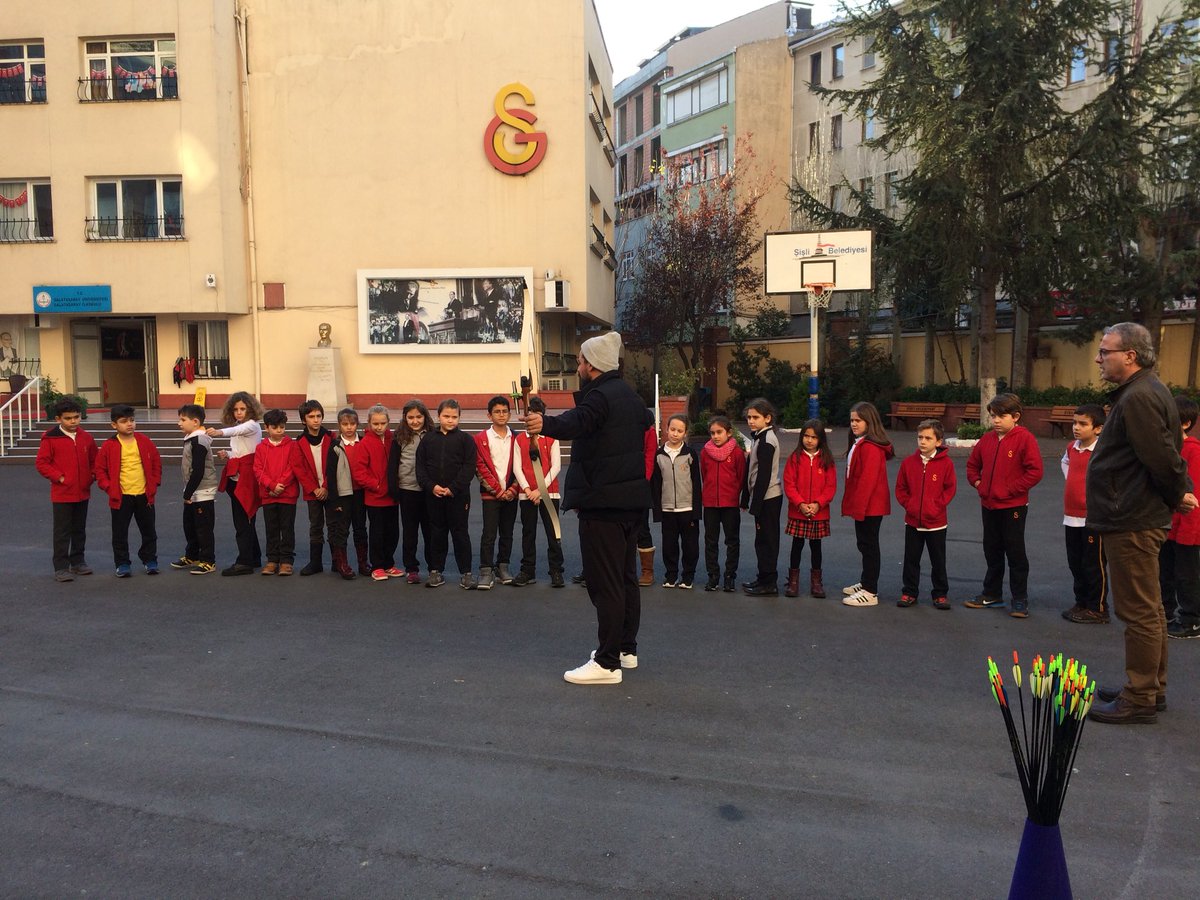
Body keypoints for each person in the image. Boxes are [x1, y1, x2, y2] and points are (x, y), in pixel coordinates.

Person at [524, 331, 653, 685]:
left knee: (606, 583)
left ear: (592, 365)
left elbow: (577, 422)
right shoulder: (629, 396)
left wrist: (544, 424)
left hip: (604, 504)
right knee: (625, 580)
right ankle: (626, 650)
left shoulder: (601, 397)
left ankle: (607, 662)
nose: (578, 366)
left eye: (581, 361)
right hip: (629, 503)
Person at [1086, 323, 1196, 725]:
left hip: (1132, 517)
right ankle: (1151, 687)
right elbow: (1167, 453)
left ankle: (1140, 696)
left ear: (1129, 355)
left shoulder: (1139, 397)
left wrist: (1175, 495)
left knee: (1139, 612)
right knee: (1149, 609)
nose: (1099, 359)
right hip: (1134, 513)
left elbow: (1163, 458)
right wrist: (1175, 493)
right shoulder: (1146, 391)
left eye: (1105, 352)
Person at [963, 393, 1044, 617]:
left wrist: (1008, 490)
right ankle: (992, 594)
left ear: (1015, 417)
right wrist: (979, 484)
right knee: (992, 550)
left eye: (1001, 416)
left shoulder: (1024, 439)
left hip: (1013, 507)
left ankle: (1019, 599)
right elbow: (972, 466)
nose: (996, 420)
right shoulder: (987, 440)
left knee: (1015, 552)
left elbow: (1035, 472)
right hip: (988, 506)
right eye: (992, 416)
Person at [894, 419, 956, 610]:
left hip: (936, 523)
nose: (922, 441)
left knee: (938, 560)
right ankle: (909, 592)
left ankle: (940, 594)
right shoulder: (908, 463)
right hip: (913, 522)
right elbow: (901, 489)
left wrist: (936, 506)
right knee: (911, 559)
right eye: (920, 437)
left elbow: (949, 488)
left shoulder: (946, 464)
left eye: (928, 438)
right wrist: (910, 505)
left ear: (938, 442)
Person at [94, 404, 162, 577]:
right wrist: (108, 487)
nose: (129, 424)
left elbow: (156, 463)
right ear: (114, 425)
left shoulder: (144, 441)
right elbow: (99, 470)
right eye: (124, 421)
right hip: (121, 496)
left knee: (149, 531)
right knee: (120, 533)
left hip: (144, 495)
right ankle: (122, 563)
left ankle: (150, 560)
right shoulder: (109, 446)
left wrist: (154, 484)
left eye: (132, 420)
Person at [416, 398, 478, 589]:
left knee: (460, 534)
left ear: (459, 417)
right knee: (437, 533)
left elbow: (469, 468)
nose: (450, 420)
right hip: (433, 495)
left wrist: (453, 488)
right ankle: (435, 571)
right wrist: (431, 486)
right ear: (438, 416)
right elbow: (420, 467)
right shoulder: (427, 439)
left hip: (458, 496)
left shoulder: (465, 440)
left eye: (454, 417)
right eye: (446, 416)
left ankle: (466, 573)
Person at [35, 398, 98, 582]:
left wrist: (92, 476)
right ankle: (61, 567)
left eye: (76, 417)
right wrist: (60, 477)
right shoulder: (50, 437)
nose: (73, 421)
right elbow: (42, 463)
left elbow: (95, 460)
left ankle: (78, 562)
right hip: (62, 493)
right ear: (58, 419)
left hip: (82, 491)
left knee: (79, 529)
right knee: (62, 531)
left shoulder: (86, 437)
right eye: (68, 418)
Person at [840, 402, 894, 607]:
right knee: (864, 544)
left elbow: (867, 481)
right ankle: (865, 582)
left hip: (870, 506)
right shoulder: (860, 442)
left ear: (869, 422)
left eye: (858, 420)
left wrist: (859, 509)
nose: (854, 424)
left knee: (869, 546)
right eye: (852, 420)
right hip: (865, 506)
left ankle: (870, 591)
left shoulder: (871, 448)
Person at [1059, 404, 1109, 624]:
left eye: (1082, 424)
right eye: (1074, 423)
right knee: (1075, 562)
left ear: (1098, 428)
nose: (1076, 428)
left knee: (1093, 564)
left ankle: (1097, 608)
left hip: (1093, 518)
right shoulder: (1072, 447)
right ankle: (1081, 602)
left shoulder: (1103, 451)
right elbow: (1065, 464)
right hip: (1071, 516)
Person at [207, 391, 264, 576]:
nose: (239, 412)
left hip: (246, 478)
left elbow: (237, 431)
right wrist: (228, 454)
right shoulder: (243, 426)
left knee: (243, 522)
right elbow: (240, 451)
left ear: (251, 409)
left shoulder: (252, 425)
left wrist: (219, 432)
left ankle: (244, 562)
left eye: (242, 409)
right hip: (237, 475)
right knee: (245, 520)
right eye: (236, 409)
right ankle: (253, 557)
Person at [512, 395, 564, 587]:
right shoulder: (519, 440)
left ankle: (556, 571)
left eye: (538, 415)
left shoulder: (551, 438)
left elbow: (556, 466)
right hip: (527, 494)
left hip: (549, 494)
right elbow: (517, 467)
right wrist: (527, 489)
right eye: (531, 414)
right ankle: (528, 570)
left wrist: (539, 491)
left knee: (553, 533)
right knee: (528, 532)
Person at [782, 418, 836, 599]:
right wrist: (800, 504)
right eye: (806, 436)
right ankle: (793, 582)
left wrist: (818, 504)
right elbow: (789, 485)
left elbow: (830, 487)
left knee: (816, 547)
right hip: (799, 510)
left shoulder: (826, 459)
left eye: (813, 437)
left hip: (818, 512)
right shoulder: (794, 458)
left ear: (821, 439)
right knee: (796, 546)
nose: (809, 440)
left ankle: (816, 582)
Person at [1161, 396, 1200, 640]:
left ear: (1184, 424)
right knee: (1163, 573)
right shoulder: (1164, 450)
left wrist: (1189, 531)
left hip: (1187, 527)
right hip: (1164, 525)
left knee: (1187, 576)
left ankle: (1191, 620)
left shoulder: (1193, 452)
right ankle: (1164, 613)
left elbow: (1193, 494)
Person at [652, 413, 702, 590]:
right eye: (672, 429)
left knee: (690, 546)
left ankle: (688, 576)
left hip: (687, 508)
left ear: (685, 433)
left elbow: (697, 482)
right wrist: (657, 511)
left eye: (679, 431)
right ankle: (671, 575)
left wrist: (697, 510)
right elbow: (655, 485)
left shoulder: (690, 454)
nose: (675, 433)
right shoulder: (659, 455)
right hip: (667, 510)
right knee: (669, 545)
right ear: (666, 429)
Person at [474, 395, 519, 589]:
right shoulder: (481, 439)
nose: (501, 415)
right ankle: (486, 570)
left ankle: (503, 567)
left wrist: (512, 489)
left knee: (507, 532)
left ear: (509, 414)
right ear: (489, 415)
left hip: (511, 493)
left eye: (504, 411)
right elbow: (480, 466)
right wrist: (497, 490)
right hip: (490, 494)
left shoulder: (517, 437)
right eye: (497, 412)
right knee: (489, 533)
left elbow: (522, 466)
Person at [388, 399, 434, 584]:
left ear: (425, 417)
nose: (415, 421)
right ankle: (411, 568)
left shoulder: (433, 434)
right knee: (410, 531)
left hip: (429, 490)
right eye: (411, 417)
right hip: (408, 489)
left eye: (419, 417)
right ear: (405, 418)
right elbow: (393, 464)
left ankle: (434, 567)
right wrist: (394, 488)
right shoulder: (400, 437)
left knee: (430, 531)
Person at [353, 404, 401, 581]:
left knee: (393, 533)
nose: (379, 427)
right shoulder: (365, 443)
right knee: (377, 534)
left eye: (383, 423)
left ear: (388, 422)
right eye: (375, 424)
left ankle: (389, 564)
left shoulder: (393, 440)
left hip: (393, 498)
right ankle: (377, 565)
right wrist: (377, 486)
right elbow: (359, 472)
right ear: (369, 423)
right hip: (375, 498)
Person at [741, 398, 783, 597]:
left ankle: (769, 582)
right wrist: (745, 497)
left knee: (767, 540)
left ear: (768, 418)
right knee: (762, 540)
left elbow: (764, 475)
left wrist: (755, 504)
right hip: (763, 498)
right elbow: (751, 469)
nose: (751, 421)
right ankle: (763, 578)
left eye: (756, 417)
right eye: (749, 417)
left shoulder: (767, 440)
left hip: (769, 498)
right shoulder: (760, 437)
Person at [700, 415, 747, 593]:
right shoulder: (705, 452)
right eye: (712, 433)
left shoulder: (736, 453)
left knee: (732, 541)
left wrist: (735, 495)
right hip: (711, 503)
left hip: (730, 504)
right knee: (710, 541)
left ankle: (729, 576)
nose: (716, 436)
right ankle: (713, 576)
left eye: (719, 432)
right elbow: (704, 474)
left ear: (728, 433)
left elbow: (741, 476)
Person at [254, 409, 299, 575]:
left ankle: (287, 560)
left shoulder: (292, 445)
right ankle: (272, 559)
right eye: (275, 427)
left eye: (282, 427)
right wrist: (271, 486)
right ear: (267, 428)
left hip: (287, 495)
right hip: (268, 495)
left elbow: (293, 468)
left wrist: (281, 485)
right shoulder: (261, 448)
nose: (279, 430)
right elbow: (258, 469)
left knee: (287, 528)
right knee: (271, 528)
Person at [174, 403, 218, 575]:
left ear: (195, 422)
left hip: (202, 491)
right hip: (193, 490)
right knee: (190, 525)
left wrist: (188, 492)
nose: (179, 423)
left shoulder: (199, 441)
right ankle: (192, 555)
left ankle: (208, 560)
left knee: (203, 528)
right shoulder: (191, 439)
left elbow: (198, 470)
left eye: (182, 420)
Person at [292, 400, 333, 576]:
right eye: (311, 417)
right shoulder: (299, 442)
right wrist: (314, 488)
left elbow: (334, 464)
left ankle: (338, 562)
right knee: (315, 526)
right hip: (312, 492)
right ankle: (315, 562)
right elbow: (299, 468)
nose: (316, 420)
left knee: (334, 525)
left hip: (330, 490)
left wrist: (325, 486)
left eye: (318, 416)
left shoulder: (331, 437)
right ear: (303, 420)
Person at [327, 407, 366, 579]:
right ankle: (342, 563)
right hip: (343, 495)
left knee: (360, 528)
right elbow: (331, 474)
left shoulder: (363, 442)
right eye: (345, 424)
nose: (349, 427)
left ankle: (363, 562)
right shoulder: (335, 446)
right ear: (339, 426)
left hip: (360, 493)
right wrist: (334, 501)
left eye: (352, 424)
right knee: (342, 530)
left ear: (357, 424)